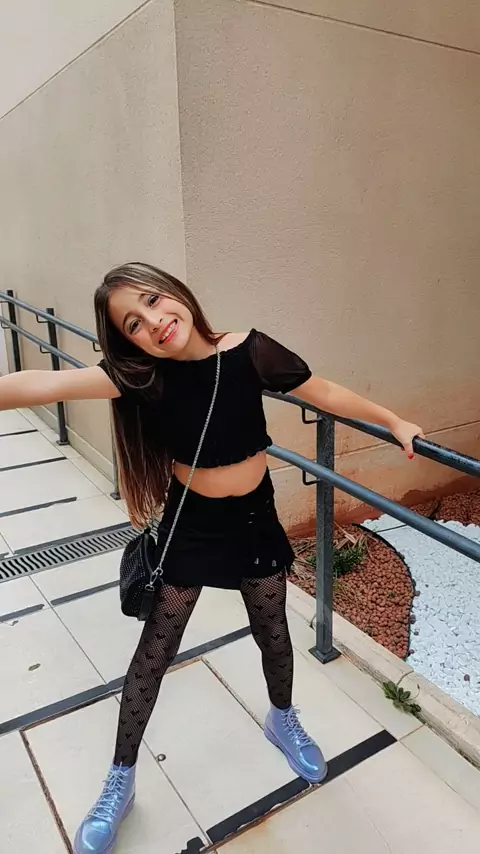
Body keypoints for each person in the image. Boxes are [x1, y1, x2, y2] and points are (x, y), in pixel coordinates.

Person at [0, 263, 424, 853]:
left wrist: (394, 421)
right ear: (128, 342)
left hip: (254, 519)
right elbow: (41, 385)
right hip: (191, 526)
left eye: (152, 301)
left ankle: (282, 717)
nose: (152, 322)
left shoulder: (250, 351)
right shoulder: (142, 377)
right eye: (133, 323)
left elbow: (323, 391)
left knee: (273, 630)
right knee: (154, 653)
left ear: (175, 291)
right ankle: (120, 779)